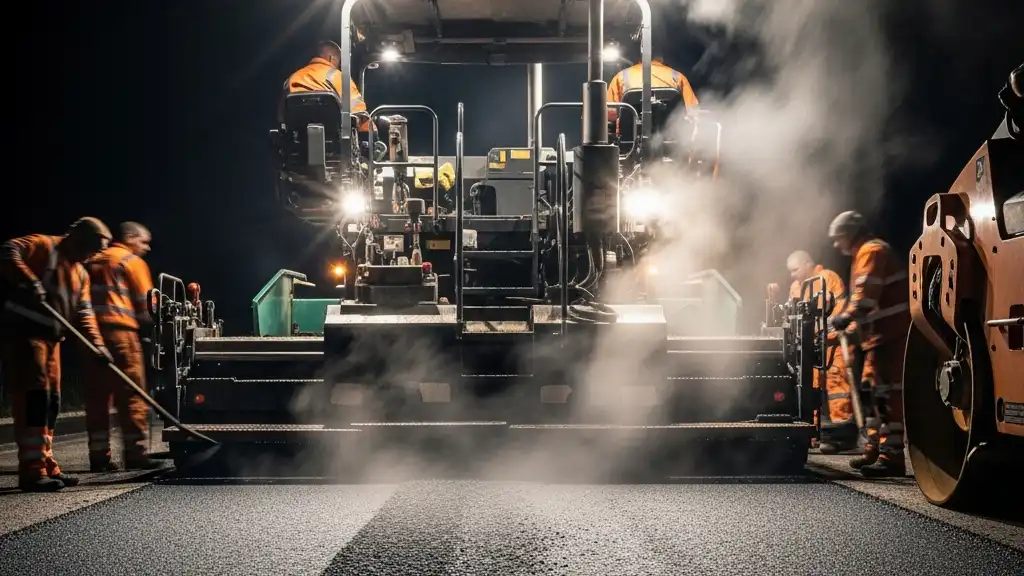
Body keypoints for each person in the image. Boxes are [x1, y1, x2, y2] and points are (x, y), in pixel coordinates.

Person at [0, 218, 113, 492]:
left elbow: (84, 313)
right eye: (91, 247)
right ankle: (32, 471)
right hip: (26, 334)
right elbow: (7, 251)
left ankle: (47, 463)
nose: (92, 254)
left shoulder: (81, 274)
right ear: (77, 236)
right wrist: (28, 280)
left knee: (52, 402)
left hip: (52, 341)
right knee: (35, 398)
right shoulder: (43, 245)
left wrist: (97, 345)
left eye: (96, 251)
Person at [828, 211, 910, 477]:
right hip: (877, 339)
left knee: (885, 396)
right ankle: (874, 449)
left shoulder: (872, 251)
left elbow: (865, 296)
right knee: (871, 394)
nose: (836, 245)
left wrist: (843, 319)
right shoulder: (865, 252)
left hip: (890, 337)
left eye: (838, 238)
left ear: (850, 234)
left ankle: (891, 457)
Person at [84, 222, 160, 472]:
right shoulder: (130, 261)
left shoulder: (91, 260)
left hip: (89, 336)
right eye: (143, 241)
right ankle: (136, 455)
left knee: (97, 398)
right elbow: (147, 306)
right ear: (128, 237)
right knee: (132, 396)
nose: (146, 248)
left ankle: (99, 458)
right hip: (122, 335)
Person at [769, 250, 857, 454]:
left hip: (833, 342)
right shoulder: (796, 287)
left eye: (795, 269)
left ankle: (842, 435)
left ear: (808, 264)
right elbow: (793, 315)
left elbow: (838, 310)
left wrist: (826, 332)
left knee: (837, 387)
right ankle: (814, 433)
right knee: (812, 387)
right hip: (811, 346)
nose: (792, 275)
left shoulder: (828, 278)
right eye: (790, 271)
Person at [280, 40, 371, 133]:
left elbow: (282, 116)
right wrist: (373, 135)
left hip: (296, 141)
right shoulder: (338, 76)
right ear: (332, 58)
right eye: (339, 62)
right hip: (334, 143)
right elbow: (359, 113)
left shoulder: (291, 79)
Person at [606, 47, 700, 126]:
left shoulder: (621, 77)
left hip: (629, 141)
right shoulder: (678, 77)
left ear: (639, 57)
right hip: (671, 139)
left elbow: (610, 114)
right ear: (661, 58)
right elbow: (693, 113)